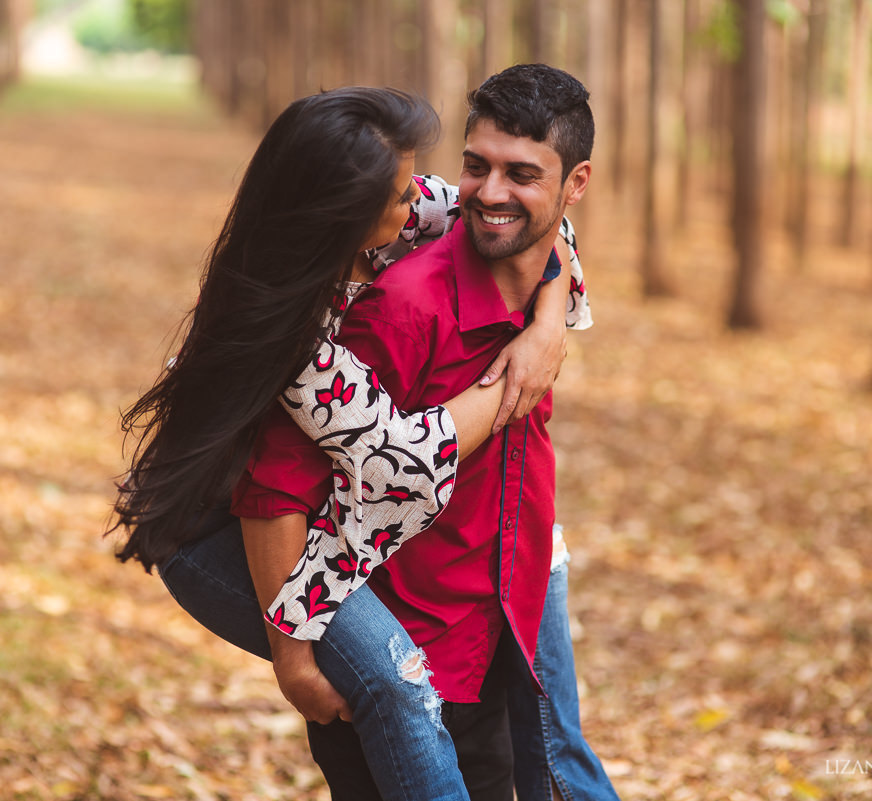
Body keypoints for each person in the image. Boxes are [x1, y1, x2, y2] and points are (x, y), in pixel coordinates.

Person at [112, 80, 615, 800]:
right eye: (410, 194)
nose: (445, 201)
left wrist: (546, 319)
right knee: (395, 681)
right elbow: (397, 462)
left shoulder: (420, 212)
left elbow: (543, 227)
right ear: (344, 214)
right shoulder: (299, 343)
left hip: (307, 516)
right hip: (210, 523)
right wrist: (293, 656)